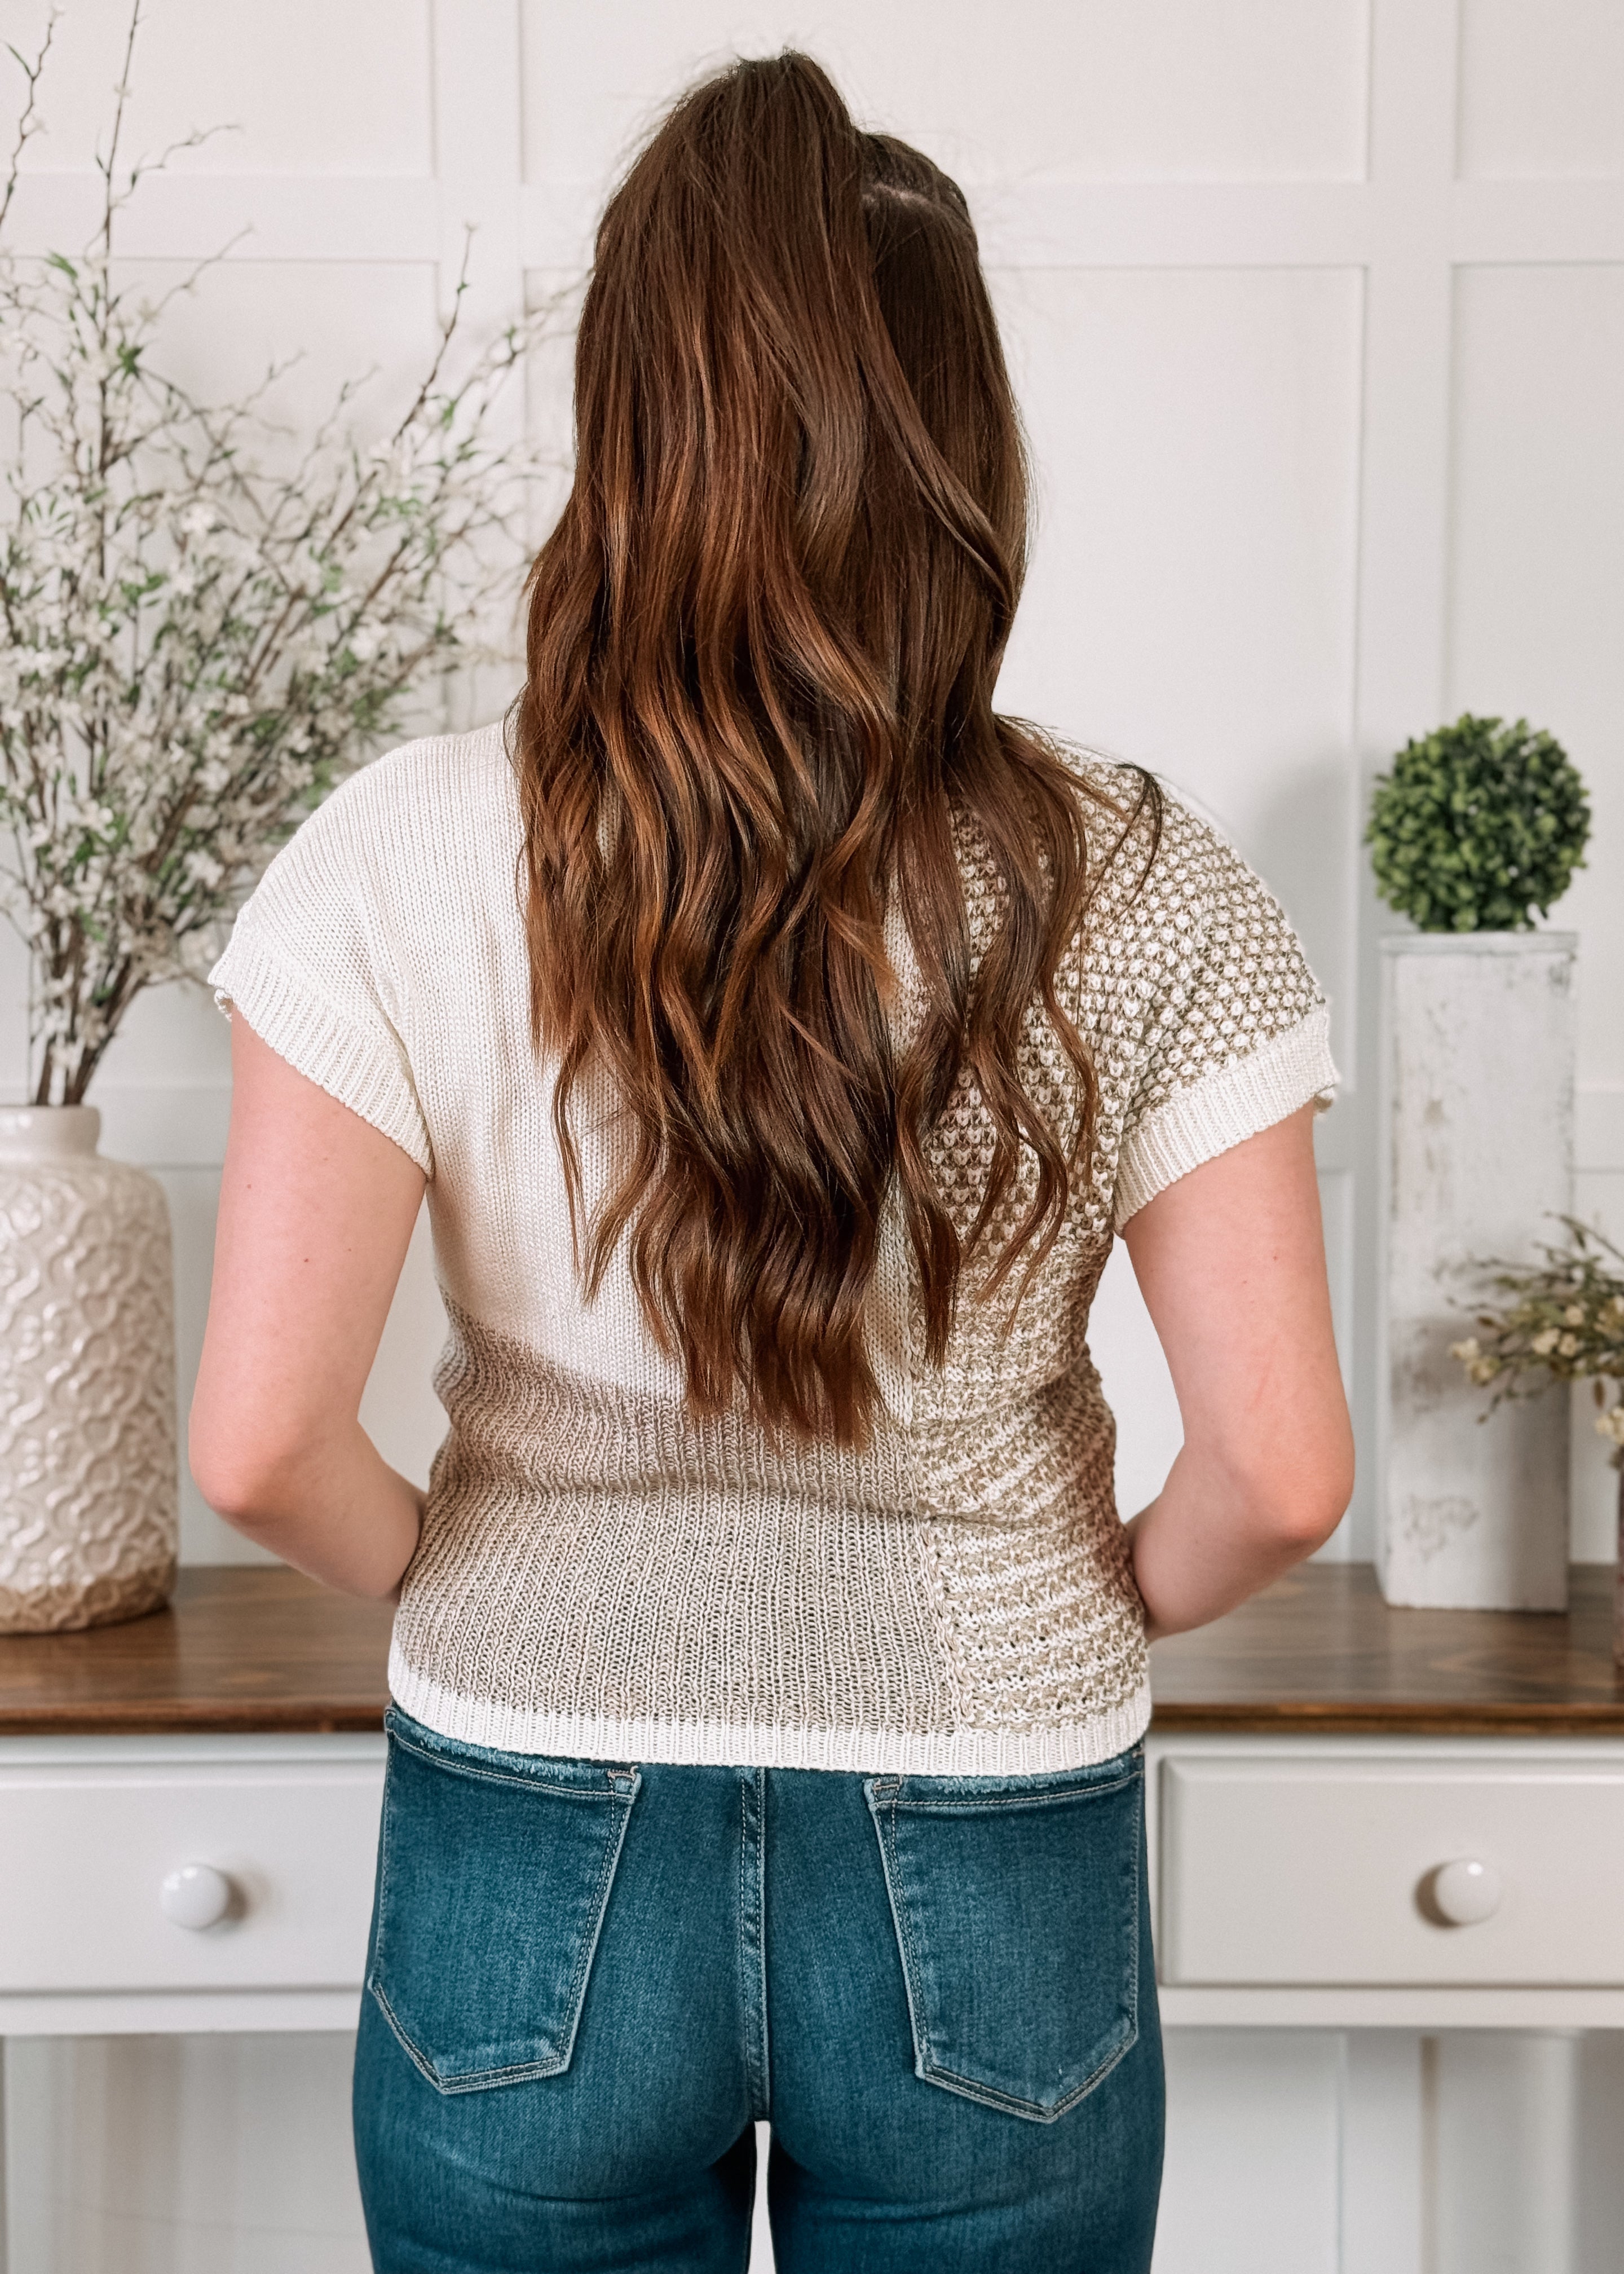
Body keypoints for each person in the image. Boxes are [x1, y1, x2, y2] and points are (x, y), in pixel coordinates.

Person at [190, 50, 1353, 2274]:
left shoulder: (399, 857)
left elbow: (256, 1443)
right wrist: (1084, 1593)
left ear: (627, 428)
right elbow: (1284, 1474)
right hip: (989, 1827)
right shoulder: (1145, 877)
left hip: (531, 1829)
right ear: (960, 452)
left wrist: (478, 1566)